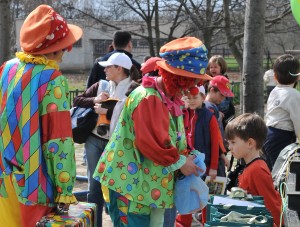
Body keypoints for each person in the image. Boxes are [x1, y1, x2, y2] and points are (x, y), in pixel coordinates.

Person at [93, 37, 211, 227]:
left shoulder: (170, 99)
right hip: (130, 186)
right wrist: (181, 162)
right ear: (178, 78)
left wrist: (188, 154)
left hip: (147, 187)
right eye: (190, 81)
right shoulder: (147, 98)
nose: (192, 88)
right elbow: (150, 143)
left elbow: (171, 138)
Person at [0, 5, 82, 227]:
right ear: (55, 49)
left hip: (4, 176)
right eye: (64, 48)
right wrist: (64, 189)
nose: (64, 55)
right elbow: (59, 139)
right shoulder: (52, 78)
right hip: (35, 183)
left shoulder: (7, 68)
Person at [73, 52, 140, 227]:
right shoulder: (101, 85)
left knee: (116, 187)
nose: (105, 70)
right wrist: (94, 100)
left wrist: (108, 112)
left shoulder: (134, 89)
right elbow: (77, 100)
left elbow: (136, 115)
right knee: (94, 186)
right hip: (94, 140)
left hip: (118, 144)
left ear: (120, 69)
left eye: (108, 67)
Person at [176, 85, 224, 227]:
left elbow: (215, 142)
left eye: (195, 98)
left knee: (207, 198)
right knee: (187, 195)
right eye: (188, 98)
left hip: (206, 164)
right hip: (189, 164)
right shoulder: (183, 114)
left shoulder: (209, 116)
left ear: (203, 97)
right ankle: (182, 223)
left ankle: (206, 223)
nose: (191, 101)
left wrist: (214, 167)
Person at [225, 113, 282, 227]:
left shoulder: (257, 170)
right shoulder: (252, 166)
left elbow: (271, 204)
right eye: (228, 143)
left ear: (250, 143)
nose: (229, 147)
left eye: (233, 142)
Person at [263, 54, 300, 170]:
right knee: (282, 173)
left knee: (271, 171)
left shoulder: (274, 91)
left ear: (275, 76)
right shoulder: (294, 95)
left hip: (267, 134)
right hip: (282, 137)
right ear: (297, 76)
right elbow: (298, 120)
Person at [206, 55, 235, 129]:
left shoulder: (223, 81)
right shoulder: (209, 80)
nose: (212, 69)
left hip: (223, 112)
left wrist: (218, 111)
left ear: (221, 68)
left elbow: (224, 99)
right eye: (211, 67)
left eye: (215, 67)